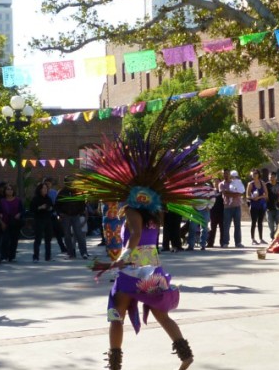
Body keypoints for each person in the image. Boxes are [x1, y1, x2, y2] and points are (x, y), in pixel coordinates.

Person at [67, 99, 211, 370]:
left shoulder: (133, 211)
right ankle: (185, 354)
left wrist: (121, 257)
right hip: (151, 268)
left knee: (115, 317)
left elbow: (133, 236)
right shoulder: (155, 214)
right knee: (161, 314)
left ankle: (114, 364)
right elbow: (143, 237)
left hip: (132, 269)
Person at [56, 176, 89, 259]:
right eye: (69, 182)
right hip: (66, 216)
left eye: (72, 182)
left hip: (75, 215)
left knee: (79, 234)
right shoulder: (62, 192)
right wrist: (60, 213)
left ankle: (83, 252)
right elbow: (57, 204)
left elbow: (82, 202)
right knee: (67, 235)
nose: (71, 183)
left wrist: (80, 211)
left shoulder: (77, 191)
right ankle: (71, 253)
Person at [29, 182, 55, 262]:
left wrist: (50, 209)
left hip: (47, 219)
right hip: (39, 219)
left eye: (46, 188)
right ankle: (35, 257)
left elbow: (52, 207)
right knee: (38, 239)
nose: (45, 190)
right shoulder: (36, 198)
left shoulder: (48, 198)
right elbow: (32, 209)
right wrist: (40, 207)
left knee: (48, 238)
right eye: (43, 188)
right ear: (40, 189)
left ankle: (48, 256)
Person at [0, 184, 25, 262]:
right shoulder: (2, 201)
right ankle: (4, 256)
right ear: (5, 191)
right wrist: (1, 222)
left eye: (11, 189)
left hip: (15, 223)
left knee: (14, 240)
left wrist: (19, 214)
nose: (9, 191)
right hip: (5, 223)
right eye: (8, 189)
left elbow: (22, 210)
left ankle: (12, 257)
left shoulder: (18, 200)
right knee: (5, 240)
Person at [219, 169, 244, 248]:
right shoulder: (221, 184)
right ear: (222, 175)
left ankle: (238, 242)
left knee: (237, 225)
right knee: (226, 226)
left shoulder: (236, 182)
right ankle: (226, 242)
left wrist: (231, 193)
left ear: (230, 174)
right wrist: (235, 193)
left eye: (227, 174)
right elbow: (225, 193)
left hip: (237, 206)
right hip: (227, 207)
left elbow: (240, 192)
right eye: (224, 174)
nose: (226, 175)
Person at [43, 177, 68, 253]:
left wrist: (58, 214)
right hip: (45, 216)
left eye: (49, 184)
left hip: (53, 215)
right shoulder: (42, 192)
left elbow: (57, 203)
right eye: (46, 184)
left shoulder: (54, 192)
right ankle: (48, 250)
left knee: (58, 232)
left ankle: (62, 247)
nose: (48, 185)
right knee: (48, 234)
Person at [246, 169, 268, 245]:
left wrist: (259, 197)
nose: (254, 175)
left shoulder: (262, 183)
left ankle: (261, 238)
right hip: (254, 205)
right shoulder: (250, 184)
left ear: (258, 175)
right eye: (253, 174)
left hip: (261, 205)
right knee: (253, 222)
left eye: (255, 174)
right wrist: (252, 198)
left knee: (260, 222)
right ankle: (253, 239)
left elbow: (266, 195)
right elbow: (247, 195)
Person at [207, 177, 224, 248]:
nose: (216, 183)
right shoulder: (211, 191)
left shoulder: (222, 191)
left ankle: (222, 243)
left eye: (217, 181)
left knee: (222, 228)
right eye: (215, 182)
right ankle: (210, 243)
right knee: (213, 228)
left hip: (221, 212)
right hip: (213, 212)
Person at [265, 172, 279, 239]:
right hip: (269, 207)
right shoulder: (266, 185)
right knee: (271, 224)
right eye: (269, 177)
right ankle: (272, 236)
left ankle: (277, 237)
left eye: (272, 177)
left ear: (276, 177)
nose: (271, 179)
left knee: (278, 223)